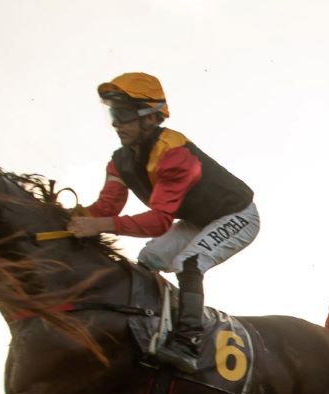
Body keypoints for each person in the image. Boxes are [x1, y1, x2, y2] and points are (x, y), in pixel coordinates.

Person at [68, 72, 259, 372]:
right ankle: (150, 326)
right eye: (113, 114)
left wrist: (100, 225)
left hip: (238, 214)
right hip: (197, 220)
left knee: (190, 262)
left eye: (124, 114)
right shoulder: (120, 160)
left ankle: (188, 342)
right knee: (148, 258)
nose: (116, 123)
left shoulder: (174, 153)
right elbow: (107, 206)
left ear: (151, 117)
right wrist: (71, 217)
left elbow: (158, 221)